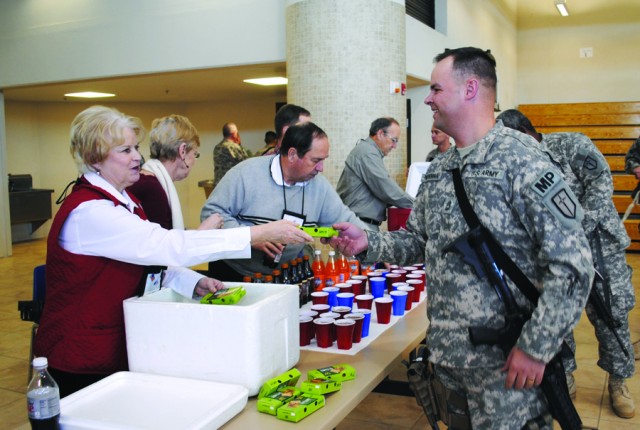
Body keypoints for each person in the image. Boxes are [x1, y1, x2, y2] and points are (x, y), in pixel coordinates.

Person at [325, 47, 593, 429]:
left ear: (470, 89)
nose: (427, 98)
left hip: (510, 367)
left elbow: (573, 265)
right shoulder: (441, 169)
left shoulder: (523, 161)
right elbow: (417, 240)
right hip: (453, 360)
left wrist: (536, 347)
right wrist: (367, 242)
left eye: (435, 88)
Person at [34, 105, 312, 397]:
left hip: (110, 348)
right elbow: (168, 246)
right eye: (125, 150)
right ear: (95, 158)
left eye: (136, 148)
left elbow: (149, 263)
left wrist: (191, 282)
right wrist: (257, 233)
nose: (137, 158)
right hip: (79, 357)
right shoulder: (90, 212)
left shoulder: (125, 201)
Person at [497, 108, 637, 418]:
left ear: (525, 132)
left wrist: (577, 228)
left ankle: (618, 381)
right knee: (558, 314)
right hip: (551, 254)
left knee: (610, 315)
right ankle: (567, 374)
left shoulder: (572, 145)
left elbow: (601, 184)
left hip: (599, 245)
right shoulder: (519, 163)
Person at [201, 121, 368, 281]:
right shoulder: (245, 174)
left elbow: (347, 220)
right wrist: (252, 236)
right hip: (235, 273)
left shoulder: (319, 186)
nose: (321, 168)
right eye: (316, 161)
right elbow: (210, 216)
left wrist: (375, 245)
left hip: (284, 274)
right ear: (292, 154)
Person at [128, 114, 223, 229]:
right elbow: (164, 244)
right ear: (182, 151)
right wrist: (203, 231)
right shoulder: (152, 189)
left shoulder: (147, 180)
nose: (195, 161)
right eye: (195, 154)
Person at [336, 117, 414, 231]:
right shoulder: (367, 153)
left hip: (359, 223)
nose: (394, 146)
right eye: (394, 140)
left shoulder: (367, 151)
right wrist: (418, 205)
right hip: (359, 224)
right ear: (381, 134)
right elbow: (386, 189)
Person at [213, 122, 248, 189]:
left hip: (218, 185)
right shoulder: (233, 147)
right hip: (230, 185)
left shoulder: (217, 147)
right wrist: (239, 144)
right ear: (234, 134)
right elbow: (246, 164)